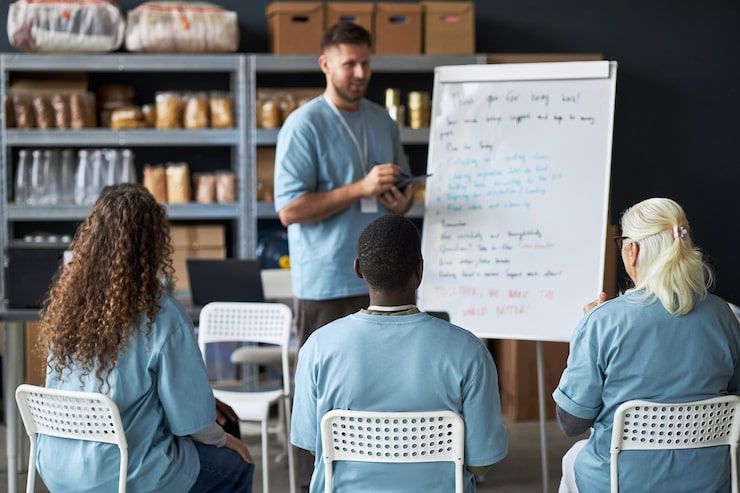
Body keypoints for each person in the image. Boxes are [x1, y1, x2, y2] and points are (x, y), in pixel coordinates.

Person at [37, 184, 254, 493]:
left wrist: (203, 402)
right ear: (154, 244)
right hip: (124, 472)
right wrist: (225, 439)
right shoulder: (161, 313)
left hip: (57, 467)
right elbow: (190, 424)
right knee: (235, 467)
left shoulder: (68, 307)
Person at [291, 214, 508, 492]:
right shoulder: (469, 352)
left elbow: (312, 445)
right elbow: (481, 463)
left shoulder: (318, 347)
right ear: (419, 269)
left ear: (358, 270)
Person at [553, 198, 740, 492]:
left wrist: (586, 331)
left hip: (622, 481)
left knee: (572, 457)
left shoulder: (604, 321)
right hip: (709, 480)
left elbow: (572, 422)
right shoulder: (723, 316)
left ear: (633, 249)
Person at [274, 22, 415, 348]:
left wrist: (401, 203)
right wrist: (361, 188)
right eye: (349, 64)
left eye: (365, 63)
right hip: (327, 286)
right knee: (323, 388)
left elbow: (404, 192)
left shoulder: (383, 120)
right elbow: (289, 210)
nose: (360, 73)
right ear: (325, 65)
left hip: (384, 281)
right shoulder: (303, 125)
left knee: (384, 389)